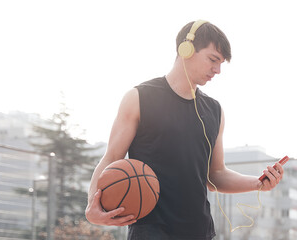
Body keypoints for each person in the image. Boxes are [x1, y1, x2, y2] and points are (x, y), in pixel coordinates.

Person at [85, 20, 285, 240]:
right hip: (150, 231)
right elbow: (111, 158)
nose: (217, 70)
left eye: (221, 64)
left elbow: (216, 175)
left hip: (199, 232)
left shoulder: (215, 111)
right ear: (186, 49)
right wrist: (92, 207)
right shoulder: (139, 98)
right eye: (213, 60)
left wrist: (258, 183)